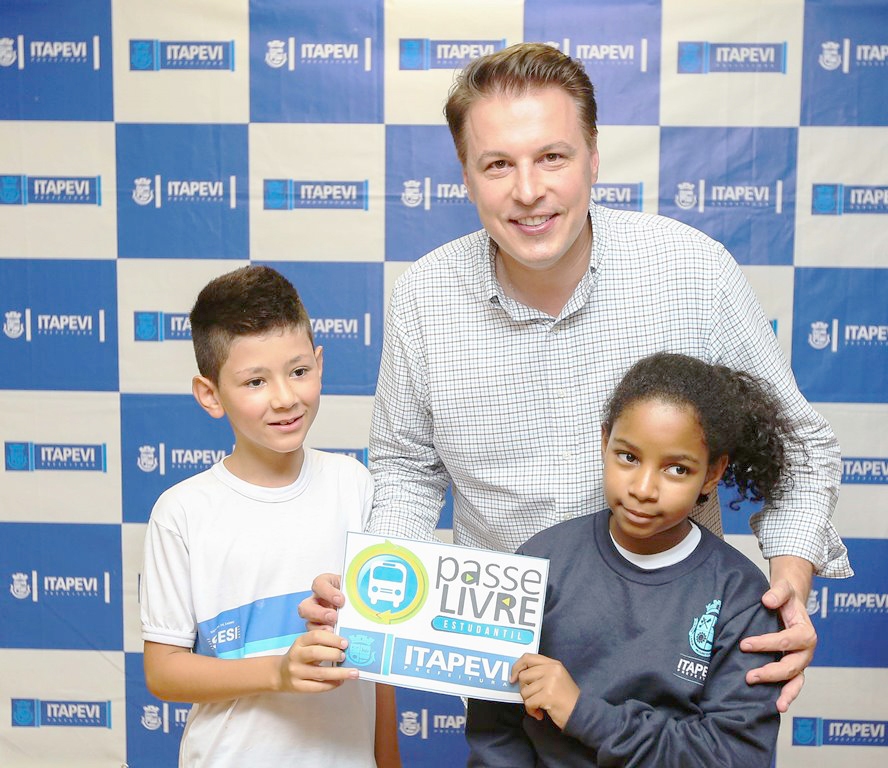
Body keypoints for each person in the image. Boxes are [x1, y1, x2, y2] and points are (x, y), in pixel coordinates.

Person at [301, 42, 851, 711]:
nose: (528, 191)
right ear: (465, 176)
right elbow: (409, 472)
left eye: (551, 157)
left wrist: (787, 586)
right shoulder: (424, 297)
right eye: (497, 164)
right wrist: (375, 590)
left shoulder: (692, 271)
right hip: (509, 662)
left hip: (674, 650)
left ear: (593, 156)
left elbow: (797, 447)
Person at [466, 352, 787, 767]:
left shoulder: (739, 595)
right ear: (604, 443)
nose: (644, 488)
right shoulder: (539, 564)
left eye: (676, 469)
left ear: (712, 473)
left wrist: (586, 715)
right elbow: (495, 731)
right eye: (629, 457)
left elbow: (736, 755)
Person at [140, 266, 400, 767]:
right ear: (210, 393)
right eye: (255, 381)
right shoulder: (182, 512)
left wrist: (387, 759)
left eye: (298, 371)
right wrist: (278, 672)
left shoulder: (355, 485)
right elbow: (164, 671)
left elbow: (379, 654)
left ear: (320, 364)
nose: (285, 397)